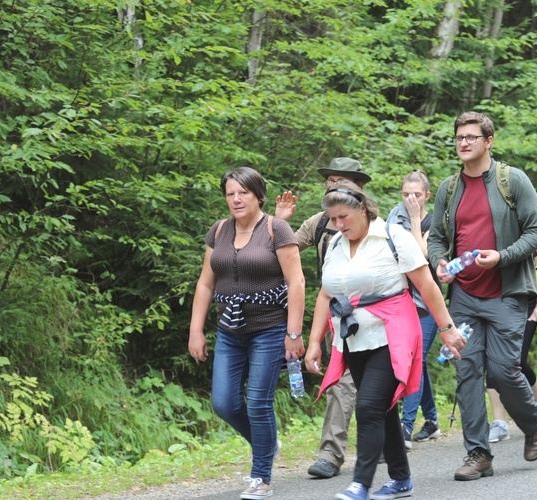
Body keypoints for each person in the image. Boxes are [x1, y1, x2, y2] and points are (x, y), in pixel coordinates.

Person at [305, 180, 466, 500]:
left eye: (343, 218)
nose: (337, 225)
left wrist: (447, 330)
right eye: (333, 219)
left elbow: (427, 285)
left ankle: (360, 484)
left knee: (367, 408)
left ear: (362, 208)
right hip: (353, 341)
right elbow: (326, 294)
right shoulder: (336, 244)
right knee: (383, 409)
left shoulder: (394, 237)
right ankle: (401, 479)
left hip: (392, 336)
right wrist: (313, 342)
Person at [427, 111, 537, 481]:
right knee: (467, 373)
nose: (464, 143)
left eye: (471, 137)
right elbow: (435, 238)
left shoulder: (513, 181)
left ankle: (534, 420)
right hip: (464, 296)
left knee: (502, 371)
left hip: (507, 294)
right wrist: (440, 263)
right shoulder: (449, 188)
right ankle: (478, 454)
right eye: (459, 137)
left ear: (488, 141)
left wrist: (503, 256)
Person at [188, 167, 306, 500]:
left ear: (258, 195)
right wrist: (196, 330)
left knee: (257, 402)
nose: (236, 199)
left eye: (243, 193)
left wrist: (293, 333)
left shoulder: (276, 229)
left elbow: (296, 282)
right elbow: (205, 282)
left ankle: (261, 477)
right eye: (230, 194)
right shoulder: (219, 231)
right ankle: (266, 441)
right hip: (229, 329)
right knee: (224, 403)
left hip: (269, 329)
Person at [275, 157, 372, 480]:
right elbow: (283, 252)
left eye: (342, 180)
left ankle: (383, 439)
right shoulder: (318, 223)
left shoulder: (376, 225)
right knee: (340, 380)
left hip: (374, 311)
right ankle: (331, 453)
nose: (334, 185)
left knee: (375, 378)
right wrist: (279, 223)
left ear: (358, 187)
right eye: (330, 180)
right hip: (334, 310)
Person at [386, 170, 442, 448]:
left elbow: (422, 253)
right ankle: (431, 420)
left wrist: (415, 219)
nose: (411, 199)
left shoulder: (434, 222)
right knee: (416, 362)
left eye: (417, 195)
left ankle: (405, 427)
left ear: (427, 196)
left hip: (429, 304)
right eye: (406, 194)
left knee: (412, 359)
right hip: (403, 301)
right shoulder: (393, 221)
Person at [487, 243, 537, 443]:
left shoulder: (529, 219)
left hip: (527, 298)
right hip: (496, 298)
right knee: (491, 360)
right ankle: (500, 423)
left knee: (516, 360)